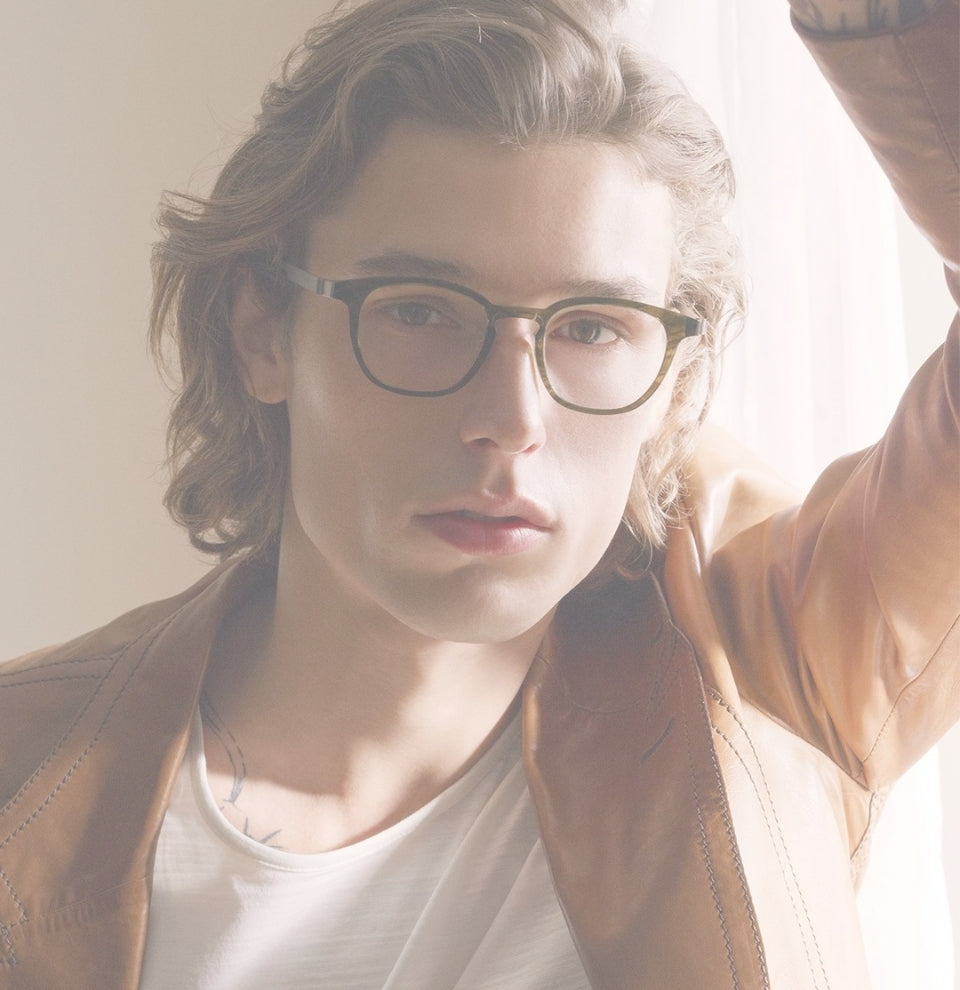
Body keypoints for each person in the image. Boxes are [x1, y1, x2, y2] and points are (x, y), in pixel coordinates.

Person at [0, 0, 956, 986]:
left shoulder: (773, 665)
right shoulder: (25, 773)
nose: (510, 417)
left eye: (591, 328)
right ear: (265, 333)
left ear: (673, 379)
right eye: (420, 311)